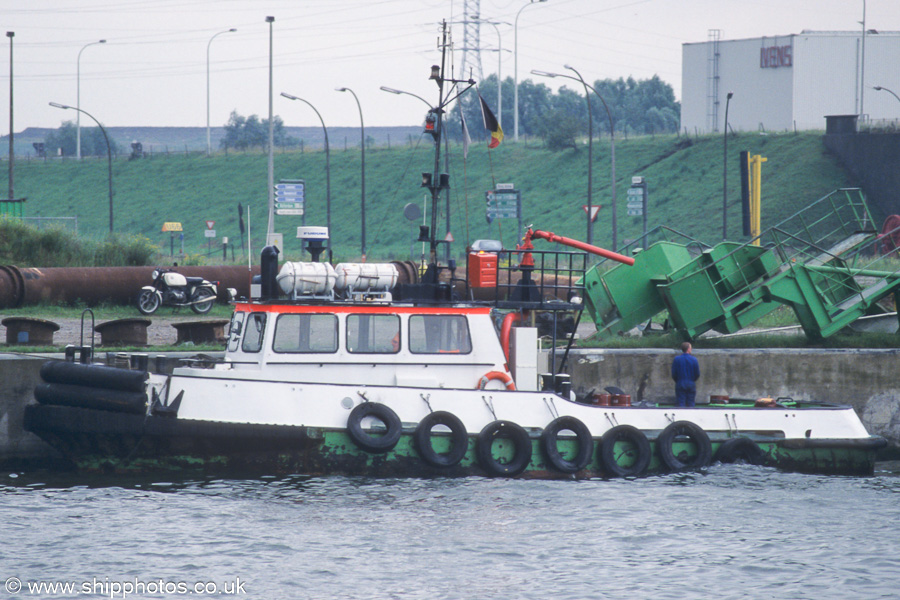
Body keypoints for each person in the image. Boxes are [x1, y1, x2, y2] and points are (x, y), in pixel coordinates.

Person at [671, 341, 700, 407]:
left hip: (680, 382)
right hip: (691, 383)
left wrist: (678, 381)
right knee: (691, 402)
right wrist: (692, 380)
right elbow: (697, 373)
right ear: (688, 349)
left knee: (680, 402)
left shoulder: (677, 359)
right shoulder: (694, 359)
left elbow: (674, 373)